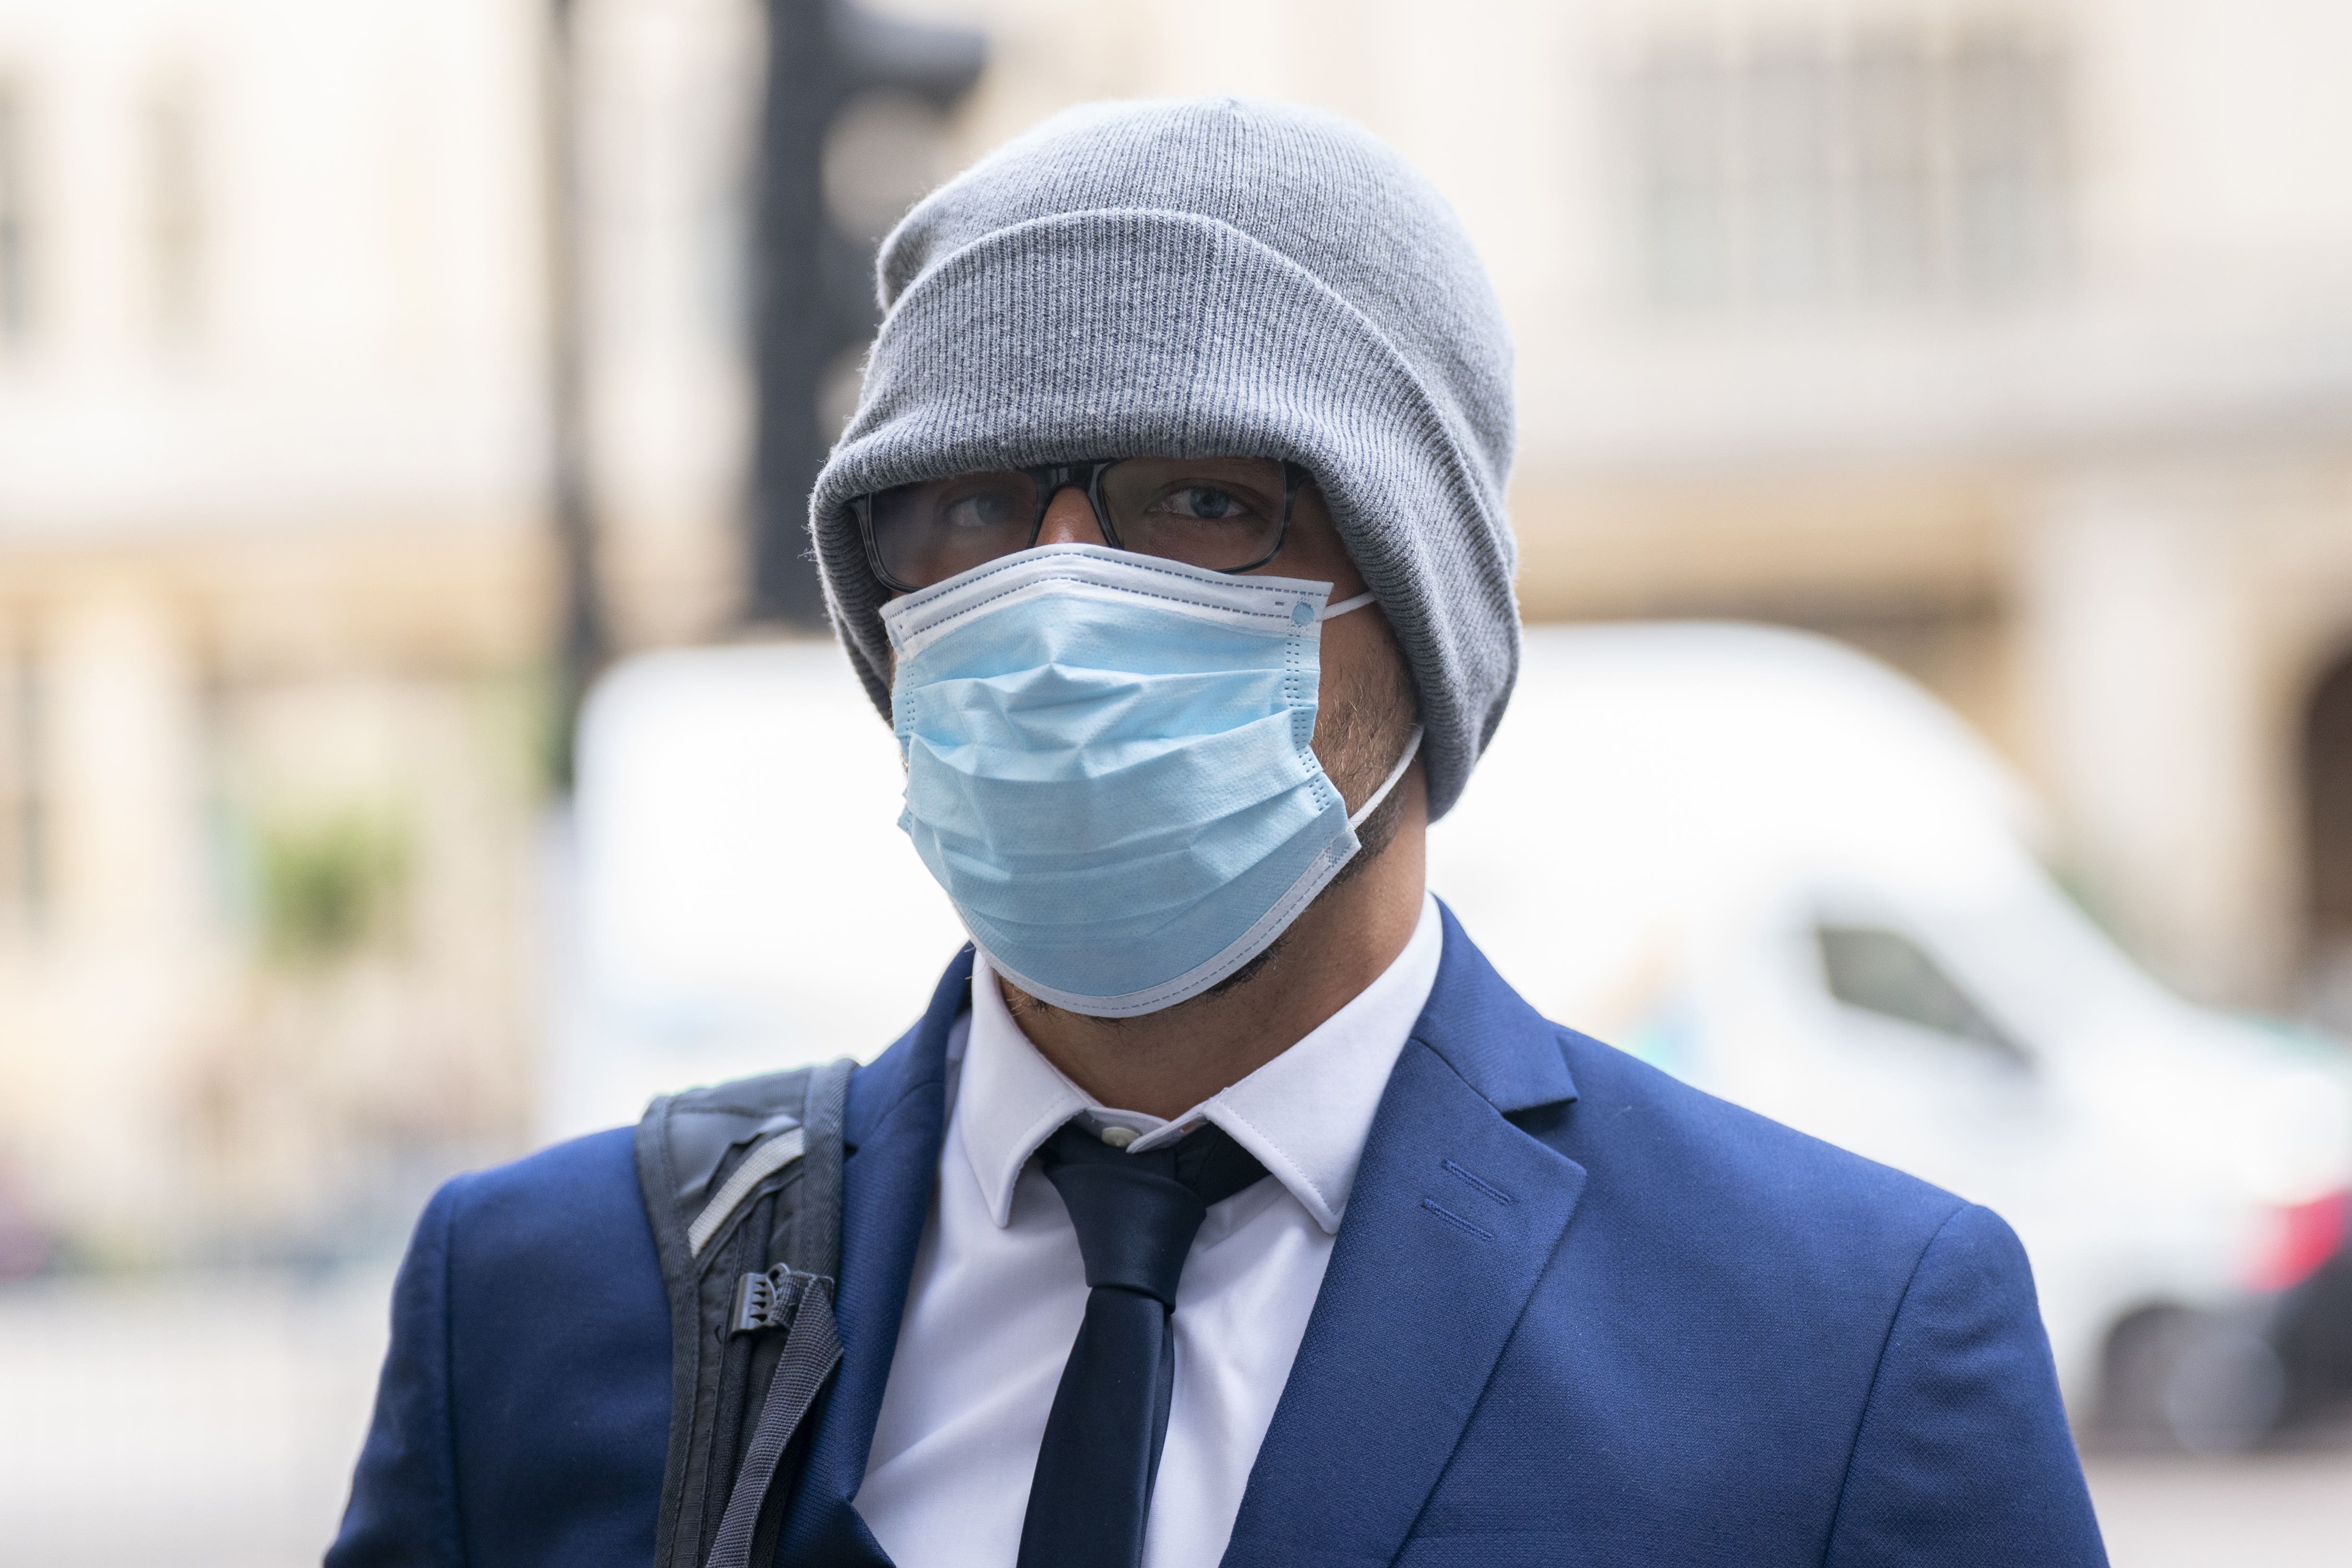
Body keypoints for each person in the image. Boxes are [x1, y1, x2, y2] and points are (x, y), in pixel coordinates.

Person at [328, 97, 2108, 1568]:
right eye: (958, 510)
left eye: (1206, 502)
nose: (1050, 601)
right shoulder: (539, 1312)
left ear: (1427, 619)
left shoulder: (1840, 1348)